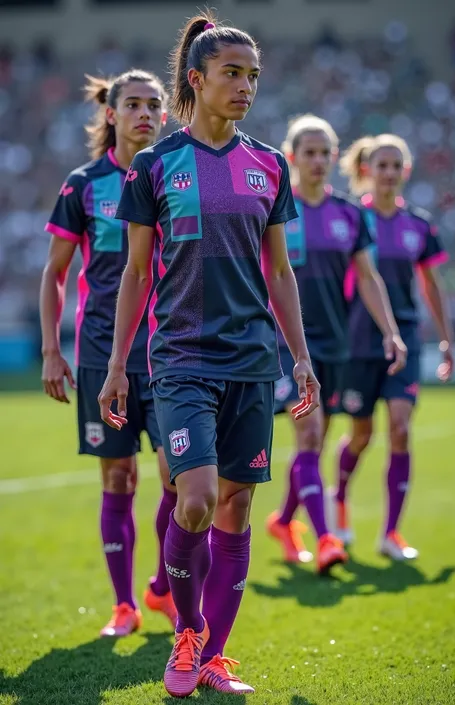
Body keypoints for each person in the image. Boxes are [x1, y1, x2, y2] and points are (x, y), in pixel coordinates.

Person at [98, 12, 320, 698]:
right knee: (191, 501)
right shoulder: (156, 167)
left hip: (253, 363)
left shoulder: (269, 165)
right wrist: (115, 365)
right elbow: (136, 273)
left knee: (235, 508)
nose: (246, 86)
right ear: (196, 80)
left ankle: (213, 652)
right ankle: (188, 629)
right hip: (181, 360)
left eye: (252, 75)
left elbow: (280, 272)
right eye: (232, 73)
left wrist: (300, 357)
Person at [40, 69, 178, 638]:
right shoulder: (84, 184)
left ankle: (164, 589)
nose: (144, 113)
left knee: (179, 481)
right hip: (103, 355)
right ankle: (125, 605)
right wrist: (52, 350)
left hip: (173, 353)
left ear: (166, 115)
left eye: (154, 105)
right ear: (111, 114)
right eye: (133, 104)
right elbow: (55, 273)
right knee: (118, 477)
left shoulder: (181, 175)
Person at [265, 115, 406, 573]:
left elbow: (368, 277)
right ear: (292, 158)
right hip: (286, 345)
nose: (319, 160)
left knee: (317, 440)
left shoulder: (349, 213)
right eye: (310, 152)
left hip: (335, 345)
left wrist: (390, 331)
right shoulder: (274, 210)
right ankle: (326, 538)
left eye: (326, 152)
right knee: (309, 433)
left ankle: (285, 521)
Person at [330, 134, 455, 559]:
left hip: (405, 341)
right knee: (361, 435)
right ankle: (340, 505)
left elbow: (432, 285)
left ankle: (391, 534)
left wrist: (446, 339)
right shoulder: (348, 219)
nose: (388, 172)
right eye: (381, 164)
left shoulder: (419, 226)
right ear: (366, 169)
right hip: (357, 344)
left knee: (400, 429)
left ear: (405, 171)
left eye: (395, 165)